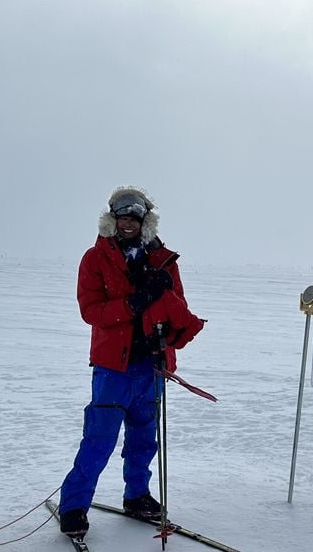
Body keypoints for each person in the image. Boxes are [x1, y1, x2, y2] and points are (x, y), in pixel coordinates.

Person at [58, 187, 204, 537]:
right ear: (112, 220)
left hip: (150, 365)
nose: (127, 224)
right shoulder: (95, 259)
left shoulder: (163, 260)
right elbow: (90, 311)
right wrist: (135, 303)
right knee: (99, 439)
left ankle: (136, 495)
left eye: (133, 219)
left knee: (143, 439)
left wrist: (168, 328)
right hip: (113, 368)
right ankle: (74, 506)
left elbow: (177, 308)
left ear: (143, 222)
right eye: (121, 218)